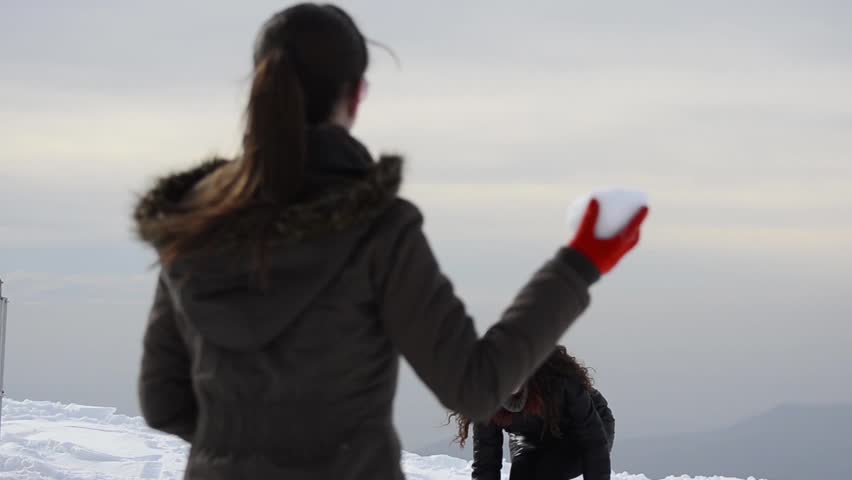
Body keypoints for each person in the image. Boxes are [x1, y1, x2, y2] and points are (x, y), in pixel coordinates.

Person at [133, 3, 648, 479]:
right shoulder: (377, 227)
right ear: (357, 95)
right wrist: (580, 263)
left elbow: (163, 401)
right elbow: (474, 386)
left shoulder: (193, 225)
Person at [453, 346, 615, 480]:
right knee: (522, 474)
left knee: (548, 472)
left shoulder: (560, 379)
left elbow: (593, 442)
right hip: (529, 434)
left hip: (583, 429)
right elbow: (486, 461)